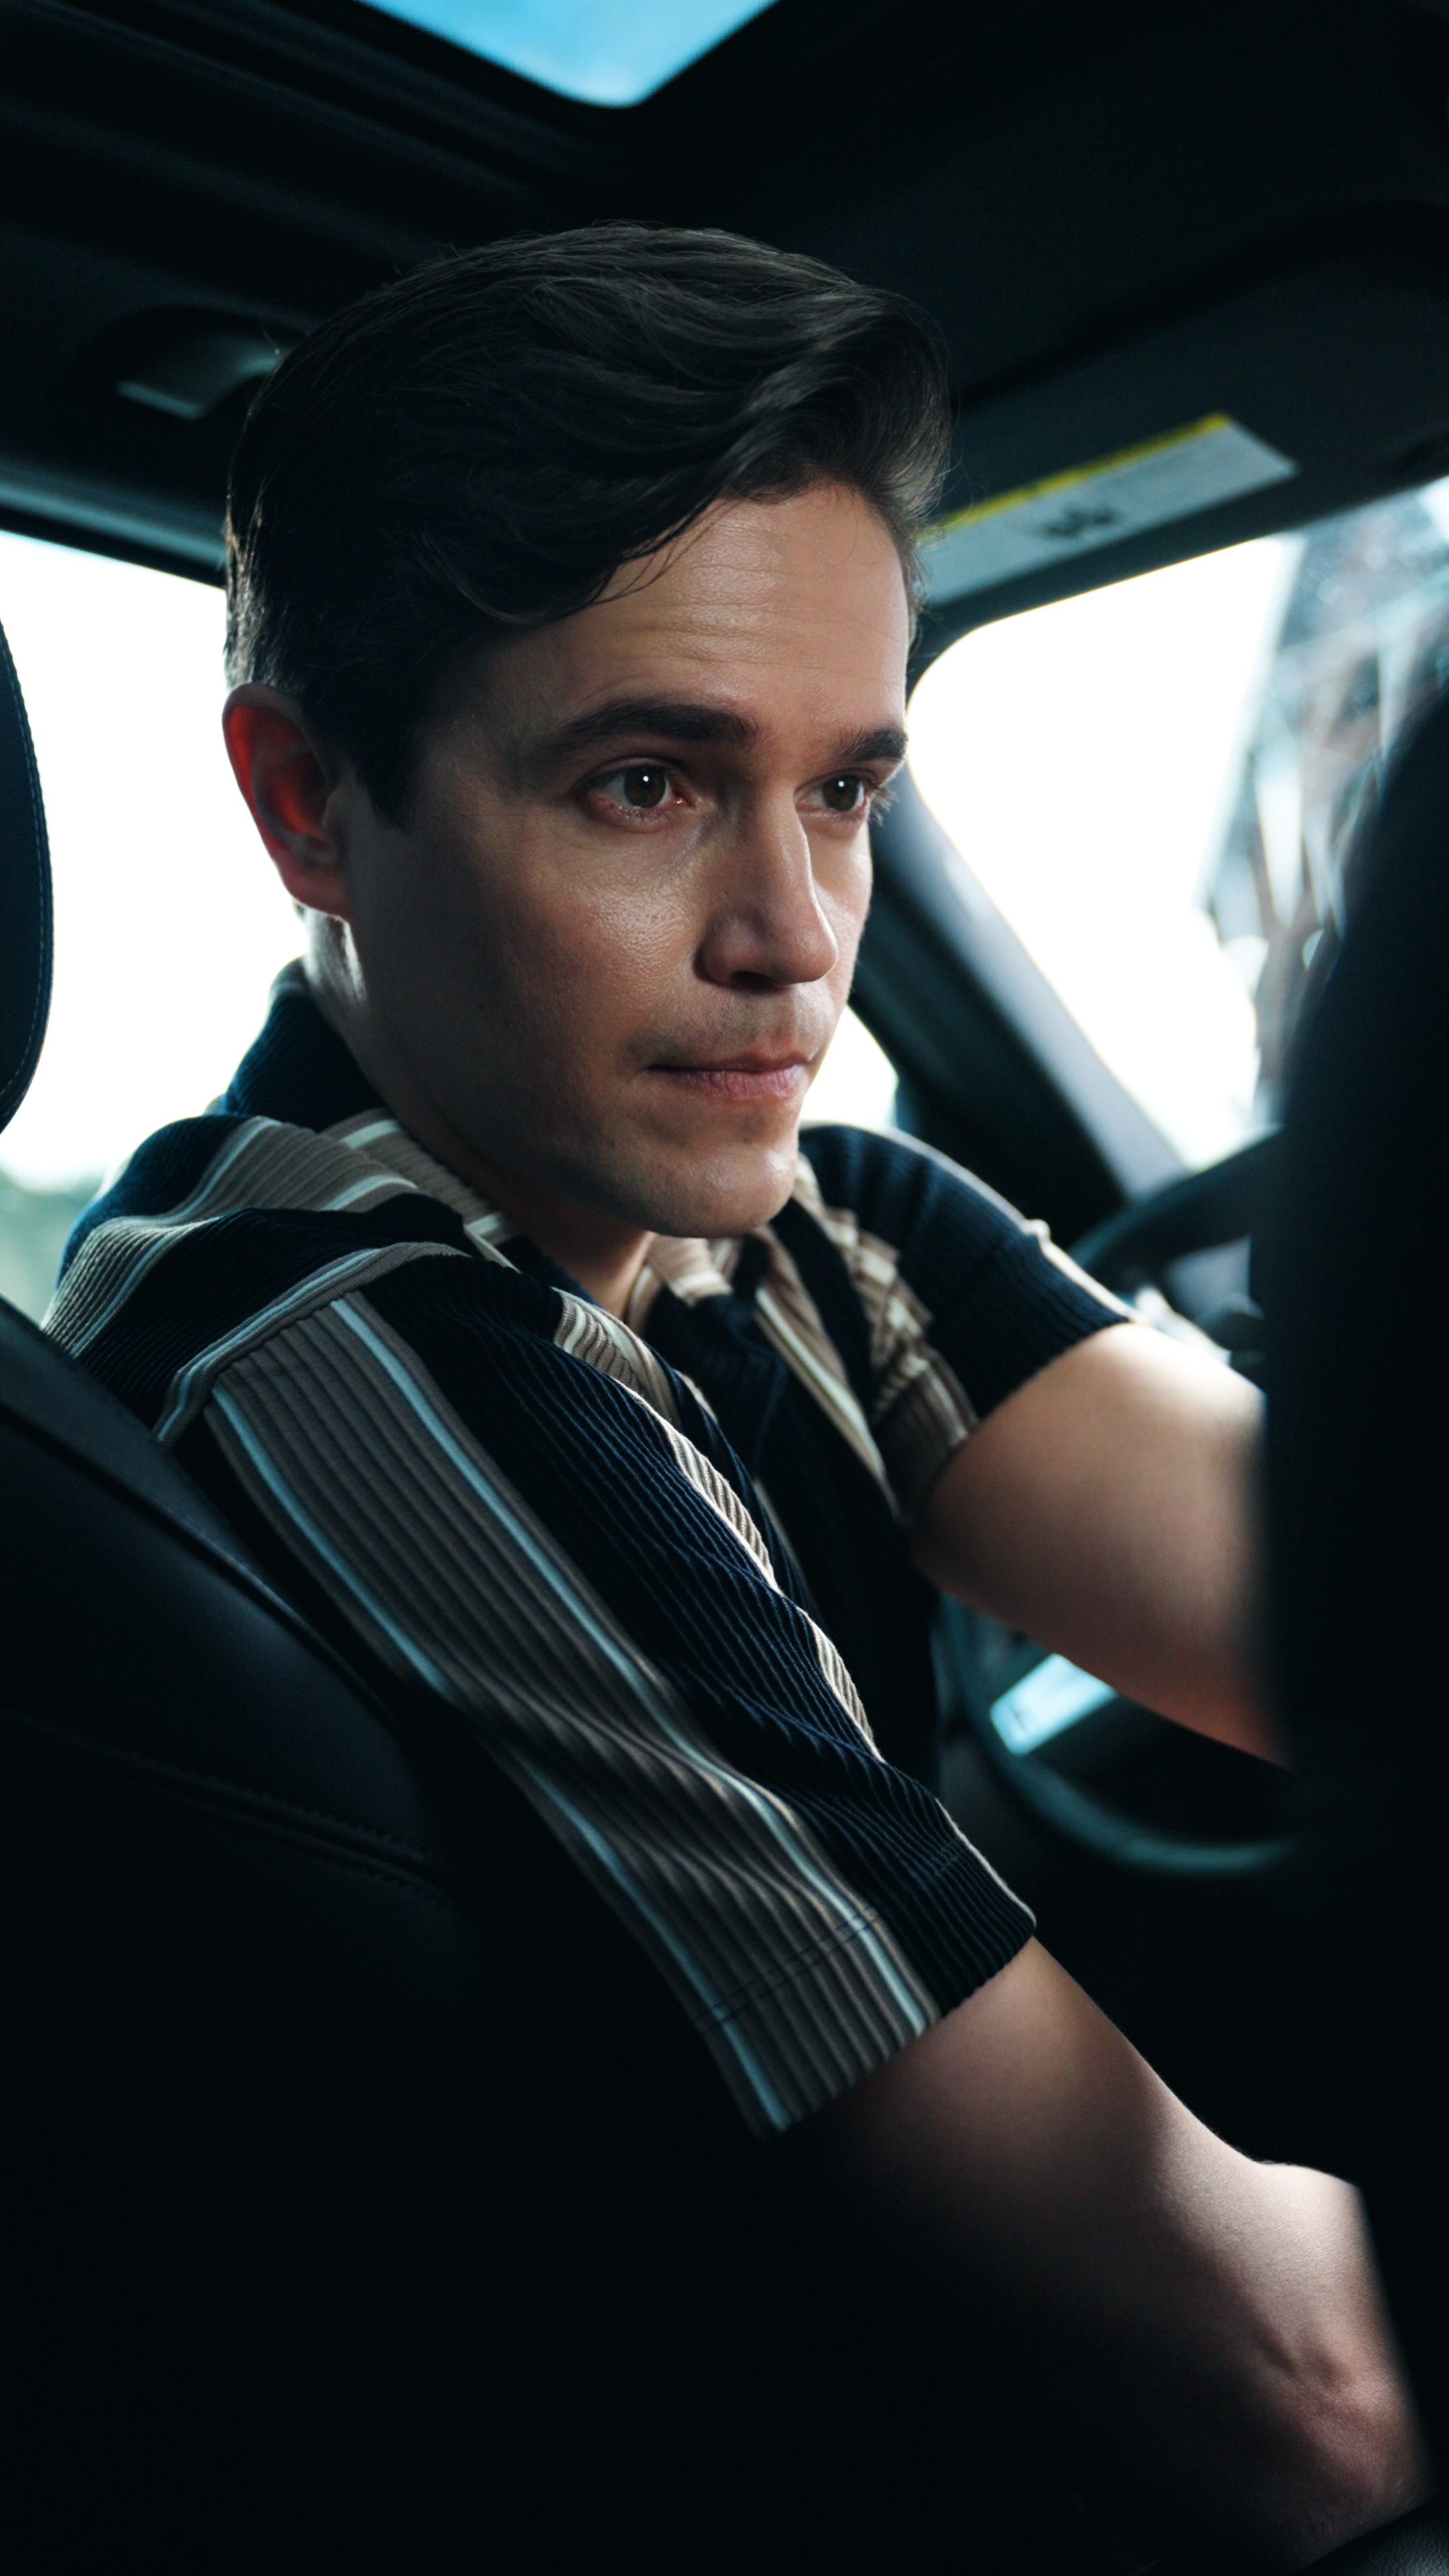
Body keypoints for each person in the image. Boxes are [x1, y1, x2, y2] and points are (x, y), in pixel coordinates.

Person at [48, 225, 1424, 2565]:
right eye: (647, 784)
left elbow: (1365, 1630)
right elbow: (1279, 2387)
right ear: (306, 807)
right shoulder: (358, 1343)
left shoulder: (797, 1221)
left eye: (851, 792)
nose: (793, 938)